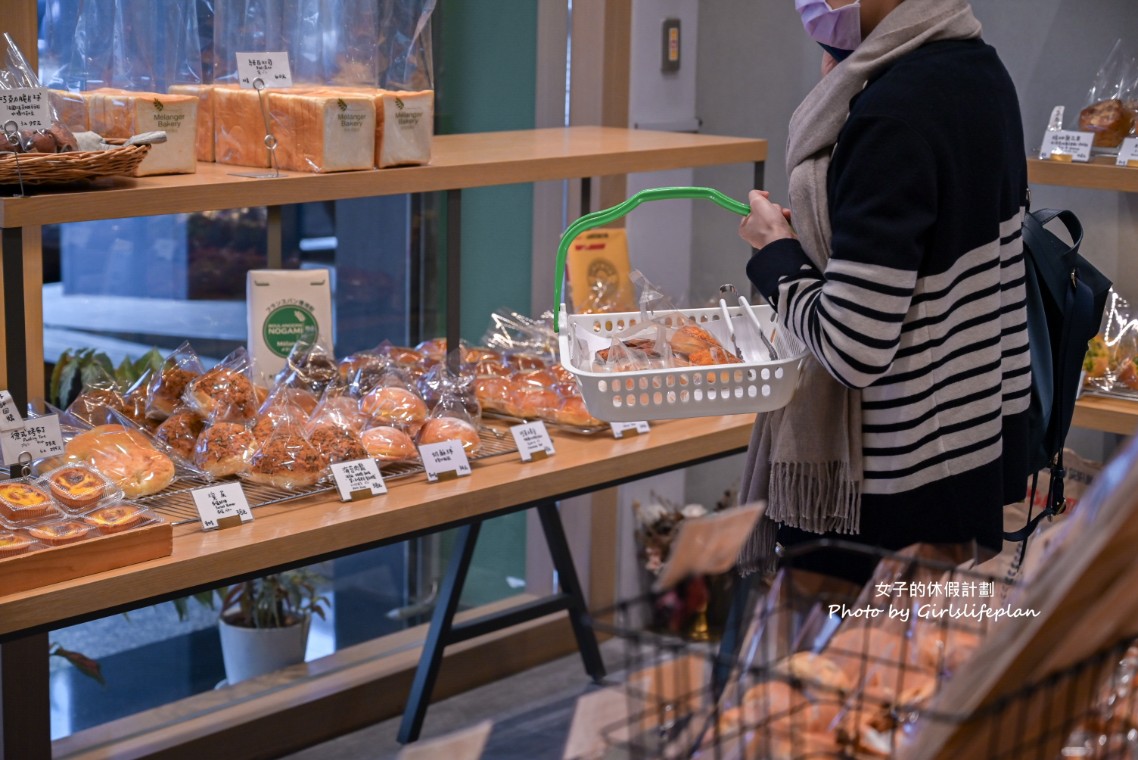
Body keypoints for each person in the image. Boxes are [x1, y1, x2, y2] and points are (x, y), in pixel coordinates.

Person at [736, 0, 1031, 582]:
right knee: (928, 667)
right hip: (967, 451)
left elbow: (854, 348)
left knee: (837, 669)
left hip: (881, 491)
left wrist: (775, 252)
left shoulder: (891, 113)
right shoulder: (983, 71)